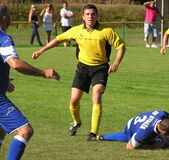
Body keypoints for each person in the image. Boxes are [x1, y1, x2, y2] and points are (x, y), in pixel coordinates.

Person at [32, 4, 126, 141]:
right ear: (83, 17)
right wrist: (41, 50)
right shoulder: (76, 31)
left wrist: (116, 63)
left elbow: (121, 47)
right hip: (82, 68)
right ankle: (76, 122)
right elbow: (58, 39)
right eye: (87, 14)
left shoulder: (106, 31)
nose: (90, 16)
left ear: (97, 16)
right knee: (74, 100)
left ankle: (93, 133)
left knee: (97, 93)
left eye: (93, 14)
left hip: (100, 68)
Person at [0, 4, 60, 160]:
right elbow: (15, 63)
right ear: (5, 19)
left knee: (1, 129)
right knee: (25, 131)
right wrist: (43, 73)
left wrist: (4, 82)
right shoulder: (3, 38)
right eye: (10, 16)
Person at [98, 110, 169, 150]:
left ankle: (101, 137)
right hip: (131, 128)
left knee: (165, 141)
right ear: (164, 132)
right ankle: (102, 137)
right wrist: (152, 147)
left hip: (137, 123)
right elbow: (129, 147)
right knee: (162, 142)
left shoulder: (162, 114)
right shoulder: (143, 134)